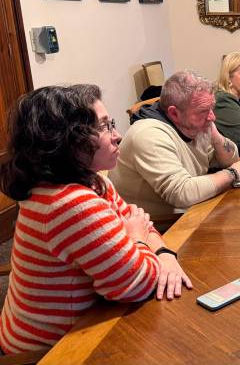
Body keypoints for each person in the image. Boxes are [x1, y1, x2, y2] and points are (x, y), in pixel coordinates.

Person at [0, 85, 192, 354]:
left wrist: (163, 252)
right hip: (49, 350)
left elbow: (140, 221)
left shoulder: (91, 181)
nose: (118, 136)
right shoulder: (70, 204)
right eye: (103, 127)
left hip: (72, 323)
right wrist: (136, 238)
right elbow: (138, 284)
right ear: (67, 139)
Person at [110, 70, 240, 218]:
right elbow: (182, 193)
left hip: (190, 215)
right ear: (174, 113)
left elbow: (230, 160)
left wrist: (215, 136)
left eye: (212, 108)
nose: (212, 117)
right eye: (203, 111)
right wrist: (233, 174)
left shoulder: (194, 124)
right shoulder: (148, 134)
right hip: (159, 230)